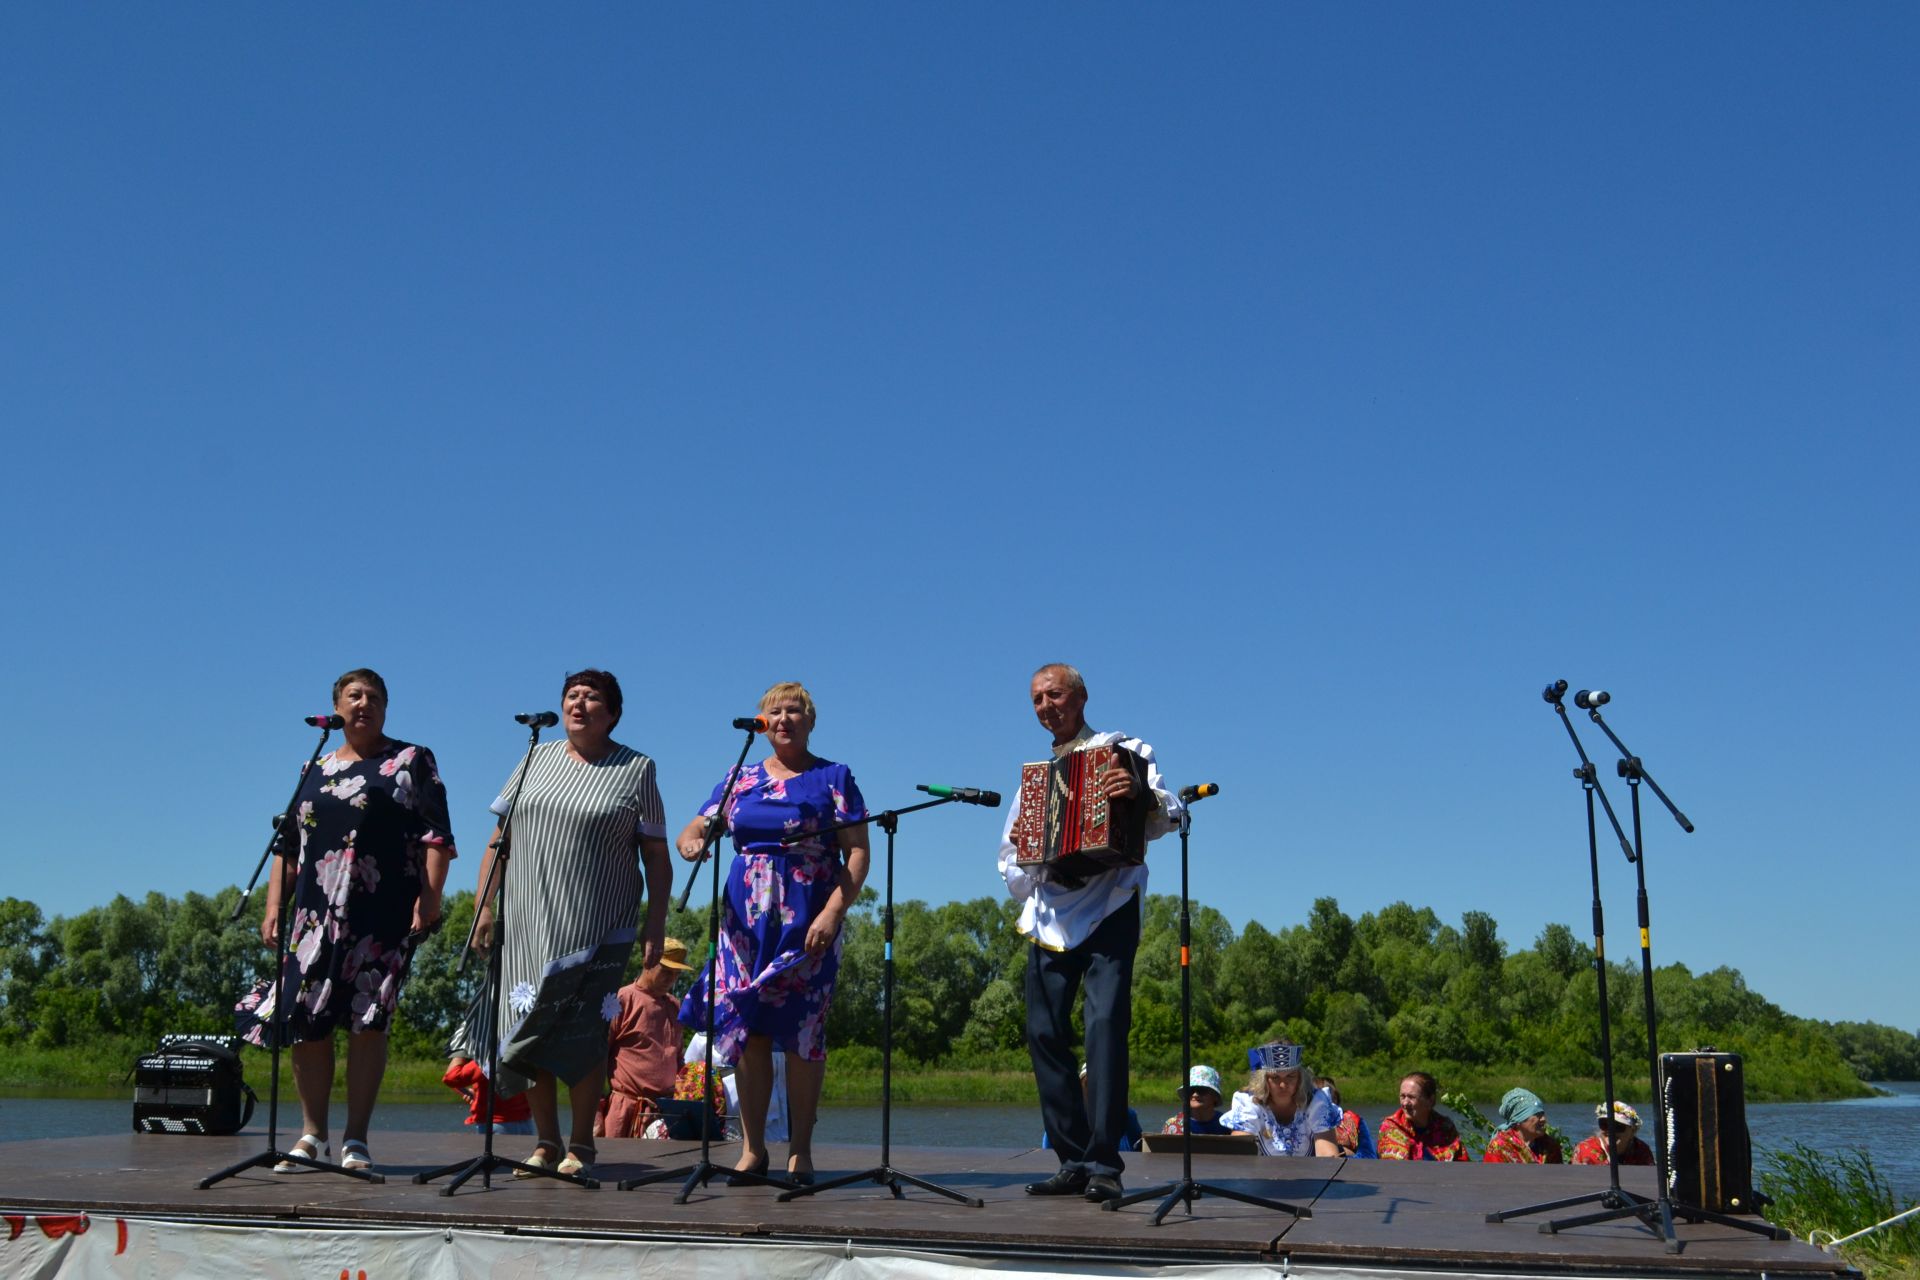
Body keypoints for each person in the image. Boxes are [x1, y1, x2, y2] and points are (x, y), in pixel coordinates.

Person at [234, 668, 455, 1174]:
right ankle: (313, 1134)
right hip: (312, 917)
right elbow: (288, 847)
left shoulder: (410, 760)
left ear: (385, 708)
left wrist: (431, 896)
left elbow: (436, 836)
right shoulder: (314, 765)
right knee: (306, 1022)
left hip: (380, 914)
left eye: (374, 697)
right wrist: (274, 907)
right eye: (354, 696)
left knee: (367, 1021)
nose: (364, 704)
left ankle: (356, 1139)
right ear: (336, 706)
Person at [471, 669, 672, 1181]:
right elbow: (500, 840)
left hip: (598, 924)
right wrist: (484, 907)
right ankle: (545, 1142)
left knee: (583, 1033)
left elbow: (656, 855)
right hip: (528, 920)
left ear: (613, 712)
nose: (578, 704)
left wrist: (656, 922)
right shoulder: (534, 758)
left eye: (591, 697)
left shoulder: (636, 768)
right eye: (571, 696)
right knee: (532, 1025)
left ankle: (582, 1144)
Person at [1000, 663, 1181, 1205]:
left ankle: (1105, 1161)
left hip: (1110, 904)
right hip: (1052, 912)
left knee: (1104, 1026)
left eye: (1053, 695)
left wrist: (1140, 796)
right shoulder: (1034, 779)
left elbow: (1170, 813)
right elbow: (1009, 863)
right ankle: (1072, 1158)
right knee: (1043, 1033)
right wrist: (1027, 844)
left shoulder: (1124, 750)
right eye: (1036, 699)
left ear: (1080, 697)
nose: (1045, 706)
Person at [677, 681, 870, 1187]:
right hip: (743, 923)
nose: (783, 719)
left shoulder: (833, 776)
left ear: (810, 720)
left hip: (809, 919)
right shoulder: (739, 778)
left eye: (793, 711)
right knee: (750, 1031)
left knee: (805, 1034)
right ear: (761, 724)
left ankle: (800, 1153)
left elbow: (858, 851)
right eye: (773, 712)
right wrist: (693, 841)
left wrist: (833, 912)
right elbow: (693, 828)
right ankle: (753, 1150)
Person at [596, 936, 695, 1139]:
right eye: (666, 972)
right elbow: (596, 1059)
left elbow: (678, 1060)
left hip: (665, 1115)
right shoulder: (621, 999)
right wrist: (596, 1116)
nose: (672, 979)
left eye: (676, 974)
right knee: (618, 1169)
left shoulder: (675, 1006)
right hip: (625, 1112)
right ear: (647, 962)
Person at [1222, 1041, 1340, 1156]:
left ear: (1300, 1078)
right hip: (1260, 1174)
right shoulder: (1250, 1103)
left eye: (1290, 1076)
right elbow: (1239, 1155)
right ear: (1263, 1080)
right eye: (1275, 1077)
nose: (1283, 1085)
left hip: (1312, 1173)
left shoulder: (1316, 1102)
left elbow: (1328, 1157)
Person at [1377, 1071, 1470, 1161]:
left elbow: (1462, 1167)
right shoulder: (1390, 1128)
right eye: (1402, 1096)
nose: (1405, 1103)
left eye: (1411, 1097)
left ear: (1430, 1100)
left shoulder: (1446, 1127)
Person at [1483, 1087, 1561, 1163]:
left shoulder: (1550, 1147)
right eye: (1537, 1114)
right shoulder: (1500, 1148)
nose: (1543, 1119)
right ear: (1519, 1119)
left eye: (1542, 1114)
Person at [1573, 1100, 1657, 1166]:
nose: (1610, 1131)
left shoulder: (1642, 1151)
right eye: (1604, 1124)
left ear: (1633, 1130)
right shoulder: (1585, 1149)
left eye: (1618, 1126)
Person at [1161, 1065, 1232, 1136]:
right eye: (1190, 1090)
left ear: (1215, 1096)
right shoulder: (1174, 1125)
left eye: (1201, 1090)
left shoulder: (1228, 1124)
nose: (1195, 1095)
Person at [1317, 1075, 1377, 1158]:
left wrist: (1342, 1152)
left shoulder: (1355, 1120)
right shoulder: (1301, 1123)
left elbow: (1369, 1156)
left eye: (1332, 1098)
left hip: (1349, 1168)